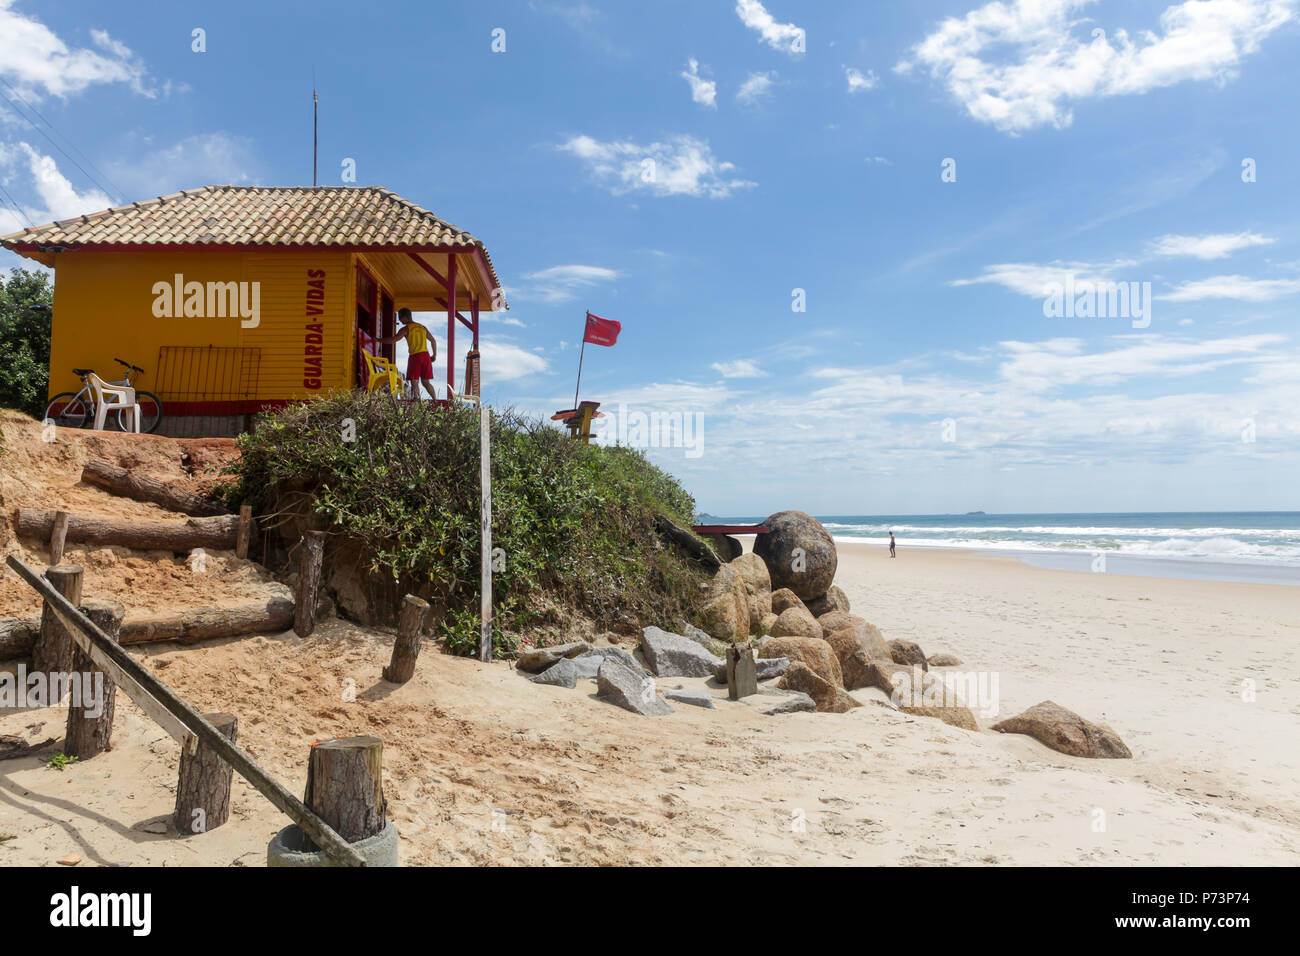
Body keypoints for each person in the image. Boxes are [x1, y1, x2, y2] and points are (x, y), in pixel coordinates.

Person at [378, 308, 438, 401]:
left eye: (400, 318)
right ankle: (435, 401)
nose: (399, 320)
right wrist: (434, 355)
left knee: (414, 381)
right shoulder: (422, 327)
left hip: (415, 356)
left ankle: (416, 401)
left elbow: (393, 340)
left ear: (405, 317)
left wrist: (379, 340)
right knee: (426, 382)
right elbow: (433, 341)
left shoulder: (406, 329)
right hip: (426, 355)